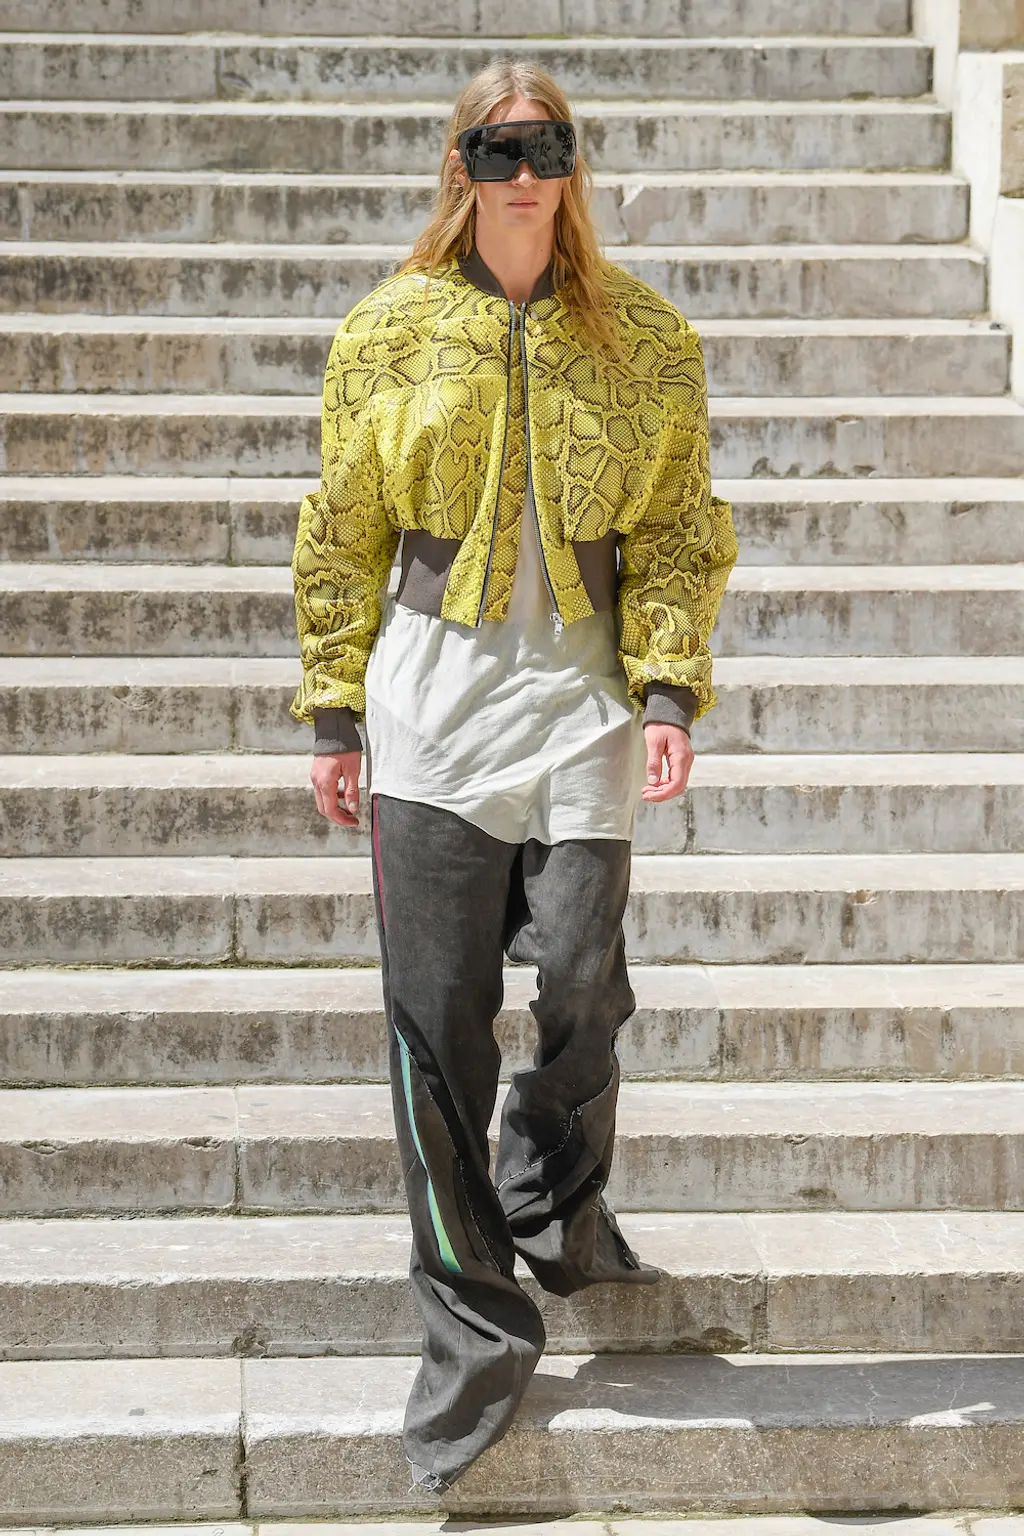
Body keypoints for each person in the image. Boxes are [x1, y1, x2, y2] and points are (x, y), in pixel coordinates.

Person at [290, 62, 738, 1496]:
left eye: (547, 148)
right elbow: (341, 528)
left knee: (585, 979)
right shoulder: (389, 331)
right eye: (499, 151)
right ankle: (475, 1325)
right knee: (435, 1030)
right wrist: (334, 714)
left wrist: (668, 690)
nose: (525, 173)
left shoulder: (648, 338)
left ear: (573, 166)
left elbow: (679, 530)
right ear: (461, 168)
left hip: (586, 707)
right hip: (430, 709)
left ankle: (551, 1191)